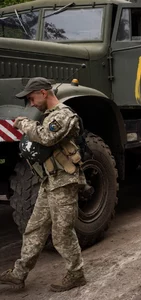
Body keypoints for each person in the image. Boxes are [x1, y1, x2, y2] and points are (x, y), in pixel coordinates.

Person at [0, 77, 87, 292]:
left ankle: (76, 273)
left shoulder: (64, 115)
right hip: (51, 181)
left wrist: (23, 123)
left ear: (43, 92)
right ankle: (19, 274)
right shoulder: (50, 116)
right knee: (34, 229)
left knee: (62, 233)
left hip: (65, 182)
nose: (31, 103)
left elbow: (46, 137)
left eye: (32, 98)